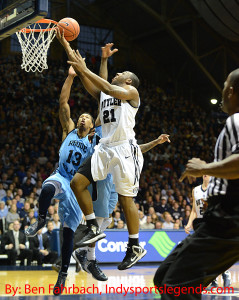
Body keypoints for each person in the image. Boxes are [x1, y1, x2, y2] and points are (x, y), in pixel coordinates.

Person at [56, 29, 170, 270]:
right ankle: (92, 226)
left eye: (124, 73)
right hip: (105, 148)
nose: (119, 73)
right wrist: (65, 43)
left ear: (129, 81)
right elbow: (88, 76)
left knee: (127, 198)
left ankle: (135, 246)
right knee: (78, 183)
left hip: (125, 149)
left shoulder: (131, 93)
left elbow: (107, 87)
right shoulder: (104, 94)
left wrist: (87, 69)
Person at [154, 68, 239, 299]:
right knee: (164, 278)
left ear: (231, 91)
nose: (221, 91)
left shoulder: (238, 121)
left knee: (175, 288)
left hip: (229, 216)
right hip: (217, 219)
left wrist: (205, 168)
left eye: (223, 86)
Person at [185, 175, 231, 288]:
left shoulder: (216, 190)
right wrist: (189, 223)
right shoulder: (195, 190)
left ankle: (225, 272)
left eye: (208, 172)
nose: (206, 173)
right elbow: (194, 210)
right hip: (201, 223)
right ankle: (213, 279)